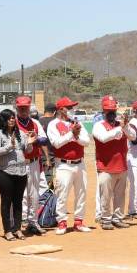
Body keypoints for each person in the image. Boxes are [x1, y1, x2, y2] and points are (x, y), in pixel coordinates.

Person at [47, 97, 91, 235]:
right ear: (61, 109)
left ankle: (79, 221)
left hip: (80, 163)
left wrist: (76, 136)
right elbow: (56, 143)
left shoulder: (77, 123)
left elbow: (86, 141)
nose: (72, 110)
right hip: (64, 164)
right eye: (69, 107)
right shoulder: (53, 124)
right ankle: (62, 222)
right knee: (62, 194)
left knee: (81, 193)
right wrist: (71, 134)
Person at [0, 109, 33, 241]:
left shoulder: (20, 133)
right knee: (6, 201)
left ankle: (18, 229)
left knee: (18, 201)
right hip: (4, 173)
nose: (12, 120)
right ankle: (8, 230)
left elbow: (27, 150)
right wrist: (10, 145)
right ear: (4, 120)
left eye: (13, 117)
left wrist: (30, 143)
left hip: (21, 172)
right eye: (9, 118)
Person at [92, 95, 131, 231]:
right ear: (103, 112)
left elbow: (133, 136)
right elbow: (103, 138)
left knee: (120, 195)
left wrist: (125, 126)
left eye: (113, 110)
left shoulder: (120, 126)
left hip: (121, 165)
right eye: (108, 111)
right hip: (106, 167)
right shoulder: (99, 125)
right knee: (106, 196)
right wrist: (119, 128)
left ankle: (118, 218)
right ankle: (106, 219)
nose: (111, 113)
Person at [15, 96, 49, 236]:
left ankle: (33, 221)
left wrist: (35, 138)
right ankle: (21, 220)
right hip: (19, 163)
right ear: (16, 108)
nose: (23, 110)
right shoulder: (13, 123)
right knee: (21, 194)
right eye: (21, 108)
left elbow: (45, 139)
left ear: (29, 109)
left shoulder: (35, 122)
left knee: (34, 193)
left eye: (26, 108)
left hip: (34, 161)